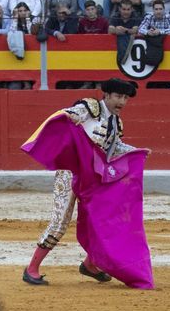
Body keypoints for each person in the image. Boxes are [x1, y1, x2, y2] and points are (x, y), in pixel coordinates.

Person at [21, 77, 146, 288]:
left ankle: (90, 265)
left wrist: (136, 152)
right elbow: (68, 117)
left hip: (92, 177)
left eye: (125, 98)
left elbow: (115, 148)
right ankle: (31, 269)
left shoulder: (116, 122)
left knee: (100, 221)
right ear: (106, 95)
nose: (122, 102)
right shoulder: (90, 108)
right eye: (118, 96)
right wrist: (73, 122)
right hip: (71, 173)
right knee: (60, 222)